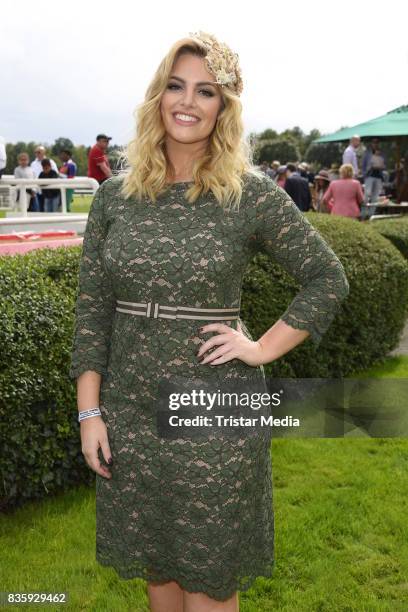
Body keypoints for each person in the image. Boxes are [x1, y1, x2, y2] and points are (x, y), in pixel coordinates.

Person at [69, 30, 349, 612]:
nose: (187, 102)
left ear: (224, 108)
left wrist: (263, 348)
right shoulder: (114, 198)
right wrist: (90, 413)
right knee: (159, 575)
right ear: (158, 96)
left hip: (212, 406)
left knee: (208, 584)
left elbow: (327, 276)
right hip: (130, 407)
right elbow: (93, 311)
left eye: (205, 91)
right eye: (176, 86)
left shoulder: (248, 195)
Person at [361, 138, 386, 218]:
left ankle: (371, 215)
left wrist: (381, 166)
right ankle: (363, 214)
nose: (375, 144)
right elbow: (363, 165)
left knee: (375, 197)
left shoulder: (382, 153)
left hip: (379, 177)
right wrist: (365, 174)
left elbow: (385, 165)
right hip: (369, 176)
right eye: (374, 142)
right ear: (371, 143)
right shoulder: (367, 153)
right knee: (366, 195)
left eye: (377, 142)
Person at [31, 146, 59, 212]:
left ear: (44, 152)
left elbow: (55, 174)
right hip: (38, 190)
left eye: (39, 152)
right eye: (36, 152)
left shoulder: (51, 162)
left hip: (50, 191)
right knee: (40, 210)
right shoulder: (33, 164)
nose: (37, 154)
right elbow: (32, 176)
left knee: (51, 210)